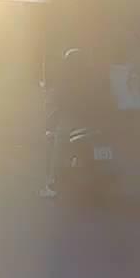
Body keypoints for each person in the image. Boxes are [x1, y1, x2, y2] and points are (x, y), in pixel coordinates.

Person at [42, 47, 110, 197]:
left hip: (74, 119)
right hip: (94, 120)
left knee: (59, 142)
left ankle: (53, 180)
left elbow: (59, 101)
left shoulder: (66, 80)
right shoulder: (93, 78)